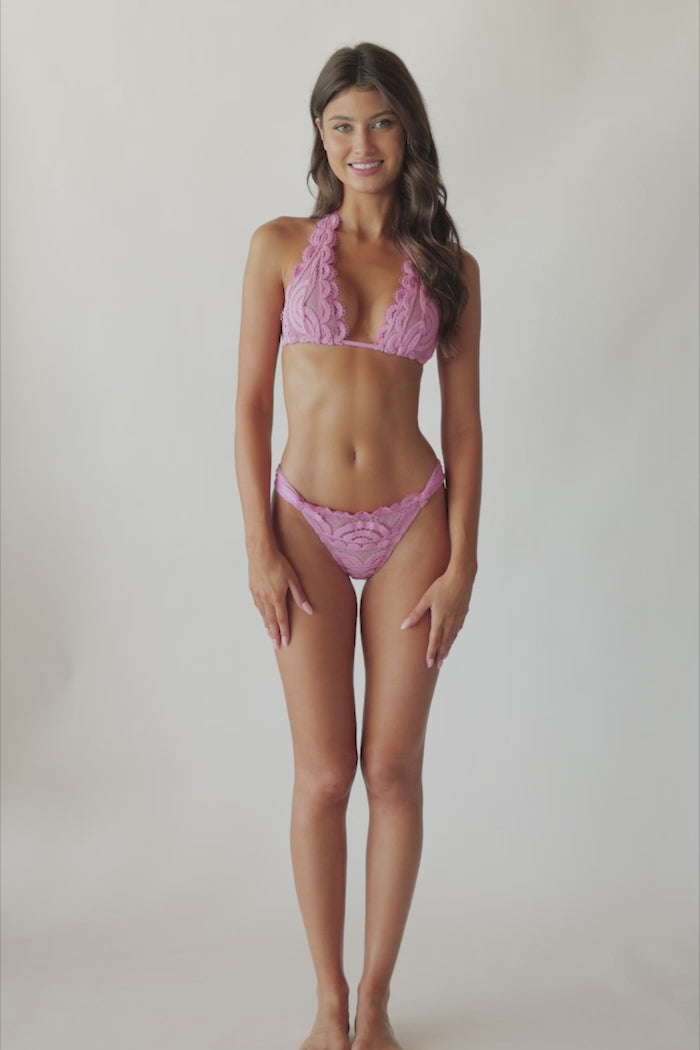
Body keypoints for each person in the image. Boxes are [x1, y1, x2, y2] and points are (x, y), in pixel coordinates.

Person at [234, 41, 482, 1050]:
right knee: (323, 776)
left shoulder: (448, 267)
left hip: (413, 522)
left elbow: (463, 428)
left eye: (379, 122)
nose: (360, 143)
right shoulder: (279, 245)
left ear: (407, 132)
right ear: (320, 137)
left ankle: (374, 999)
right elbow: (250, 404)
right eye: (340, 125)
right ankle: (325, 1000)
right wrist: (258, 544)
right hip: (304, 525)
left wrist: (464, 560)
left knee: (390, 771)